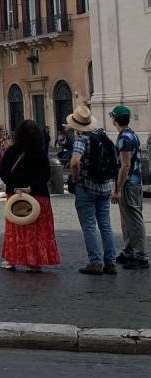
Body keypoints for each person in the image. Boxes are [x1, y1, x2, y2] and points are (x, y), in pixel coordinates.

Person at [0, 120, 59, 272]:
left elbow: (4, 172)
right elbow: (46, 175)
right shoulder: (40, 152)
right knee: (38, 231)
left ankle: (11, 259)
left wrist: (16, 186)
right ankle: (35, 261)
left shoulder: (12, 151)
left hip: (16, 195)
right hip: (38, 195)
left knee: (15, 230)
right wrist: (31, 187)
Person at [67, 105, 118, 275]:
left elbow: (75, 162)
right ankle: (110, 262)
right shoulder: (102, 136)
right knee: (105, 224)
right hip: (104, 185)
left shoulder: (82, 140)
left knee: (89, 225)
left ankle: (96, 262)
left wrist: (76, 178)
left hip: (87, 186)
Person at [109, 106, 148, 270]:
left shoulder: (124, 138)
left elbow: (125, 165)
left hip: (129, 183)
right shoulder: (132, 134)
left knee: (133, 218)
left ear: (115, 119)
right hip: (134, 182)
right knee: (127, 218)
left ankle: (140, 255)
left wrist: (117, 188)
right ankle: (129, 250)